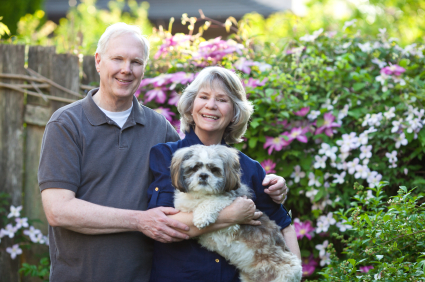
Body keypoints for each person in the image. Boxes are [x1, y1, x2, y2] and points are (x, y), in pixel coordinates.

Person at [38, 23, 289, 282]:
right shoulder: (67, 124)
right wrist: (139, 220)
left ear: (143, 69)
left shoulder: (158, 127)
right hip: (81, 275)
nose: (126, 69)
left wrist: (271, 183)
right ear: (99, 61)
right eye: (118, 59)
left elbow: (207, 166)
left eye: (136, 61)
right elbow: (59, 210)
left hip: (142, 276)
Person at [147, 66, 301, 282]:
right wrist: (231, 215)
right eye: (203, 97)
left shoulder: (249, 168)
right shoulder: (169, 156)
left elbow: (284, 225)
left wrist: (293, 276)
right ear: (191, 105)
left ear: (234, 113)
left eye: (222, 99)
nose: (211, 105)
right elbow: (164, 226)